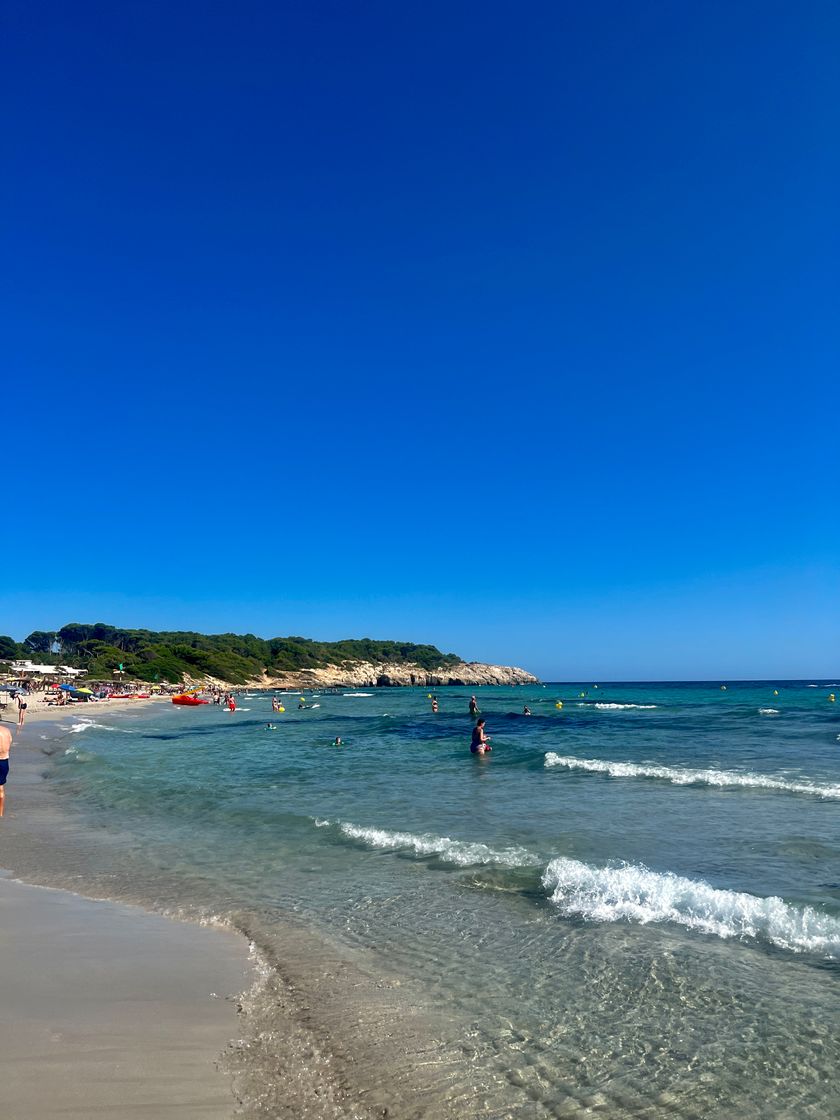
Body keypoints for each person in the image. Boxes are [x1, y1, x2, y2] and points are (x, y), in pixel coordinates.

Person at [0, 723, 11, 817]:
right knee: (1, 788)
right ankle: (1, 812)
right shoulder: (7, 731)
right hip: (4, 761)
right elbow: (9, 743)